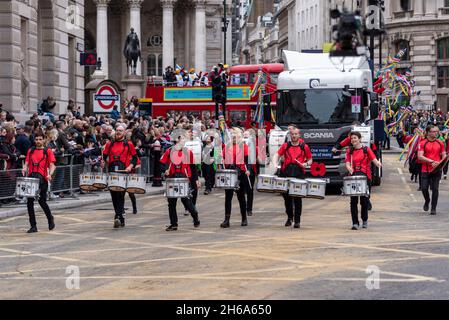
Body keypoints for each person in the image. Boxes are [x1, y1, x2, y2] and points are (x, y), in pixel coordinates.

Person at [272, 127, 313, 229]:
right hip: (286, 173)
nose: (294, 136)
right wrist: (275, 163)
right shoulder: (286, 146)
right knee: (287, 198)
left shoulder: (304, 146)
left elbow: (310, 159)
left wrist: (306, 163)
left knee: (298, 198)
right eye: (292, 134)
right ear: (290, 135)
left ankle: (297, 220)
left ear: (299, 135)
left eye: (296, 134)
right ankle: (290, 217)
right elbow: (276, 154)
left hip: (299, 174)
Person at [160, 135, 200, 231]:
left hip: (184, 179)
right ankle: (174, 224)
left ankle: (195, 216)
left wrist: (196, 180)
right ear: (177, 140)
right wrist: (165, 170)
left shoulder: (188, 152)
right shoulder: (169, 151)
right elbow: (162, 163)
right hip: (172, 179)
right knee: (171, 203)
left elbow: (193, 168)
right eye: (181, 139)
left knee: (186, 201)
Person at [102, 125, 139, 228]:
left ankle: (118, 216)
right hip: (112, 171)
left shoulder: (129, 144)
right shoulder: (110, 144)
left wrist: (130, 166)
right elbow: (104, 156)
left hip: (123, 172)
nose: (118, 132)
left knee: (120, 194)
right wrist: (103, 161)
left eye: (120, 131)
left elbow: (135, 158)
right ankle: (120, 217)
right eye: (117, 130)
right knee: (114, 195)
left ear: (124, 132)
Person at [345, 132, 382, 230]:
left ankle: (364, 219)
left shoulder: (366, 150)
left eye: (355, 138)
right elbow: (348, 163)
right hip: (353, 177)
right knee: (353, 201)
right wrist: (349, 168)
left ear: (360, 139)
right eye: (352, 138)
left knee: (364, 201)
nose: (353, 140)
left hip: (365, 178)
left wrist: (378, 163)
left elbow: (374, 159)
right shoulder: (349, 151)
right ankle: (355, 223)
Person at [21, 131, 56, 233]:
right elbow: (26, 163)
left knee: (42, 201)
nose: (38, 141)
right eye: (36, 139)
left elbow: (52, 165)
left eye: (40, 139)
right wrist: (24, 168)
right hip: (31, 179)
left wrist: (50, 174)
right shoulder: (30, 151)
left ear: (44, 140)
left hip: (43, 179)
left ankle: (50, 218)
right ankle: (33, 226)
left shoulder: (47, 151)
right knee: (29, 203)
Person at [220, 127, 251, 229]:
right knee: (228, 197)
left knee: (241, 196)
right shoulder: (227, 146)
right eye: (231, 133)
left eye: (235, 133)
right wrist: (220, 158)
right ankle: (226, 220)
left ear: (238, 135)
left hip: (240, 173)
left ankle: (244, 218)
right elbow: (222, 158)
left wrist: (248, 170)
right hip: (229, 172)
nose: (233, 135)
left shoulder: (243, 146)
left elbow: (247, 160)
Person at [417, 125, 447, 215]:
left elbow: (444, 155)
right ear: (428, 132)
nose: (436, 133)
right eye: (433, 131)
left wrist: (441, 162)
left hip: (436, 170)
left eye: (436, 131)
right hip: (425, 169)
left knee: (435, 189)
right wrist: (431, 161)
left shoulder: (440, 143)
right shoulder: (422, 143)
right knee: (424, 188)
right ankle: (427, 200)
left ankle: (433, 208)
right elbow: (420, 156)